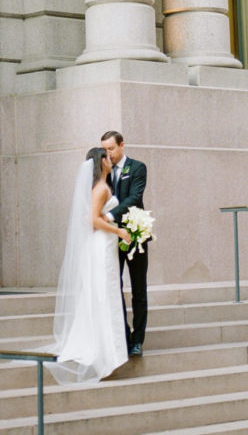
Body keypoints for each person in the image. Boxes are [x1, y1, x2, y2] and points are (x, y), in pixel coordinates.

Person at [46, 147, 132, 385]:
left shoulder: (103, 186)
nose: (110, 158)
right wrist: (119, 231)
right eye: (107, 156)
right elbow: (92, 220)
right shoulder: (101, 188)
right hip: (101, 245)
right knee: (103, 294)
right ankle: (105, 355)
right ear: (101, 162)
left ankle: (110, 353)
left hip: (105, 245)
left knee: (106, 294)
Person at [101, 130, 149, 358]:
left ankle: (138, 339)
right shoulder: (105, 172)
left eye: (111, 148)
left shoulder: (138, 168)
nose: (108, 153)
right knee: (115, 286)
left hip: (135, 234)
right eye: (105, 150)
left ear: (121, 145)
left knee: (139, 289)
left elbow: (134, 198)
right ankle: (123, 333)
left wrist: (109, 216)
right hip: (112, 237)